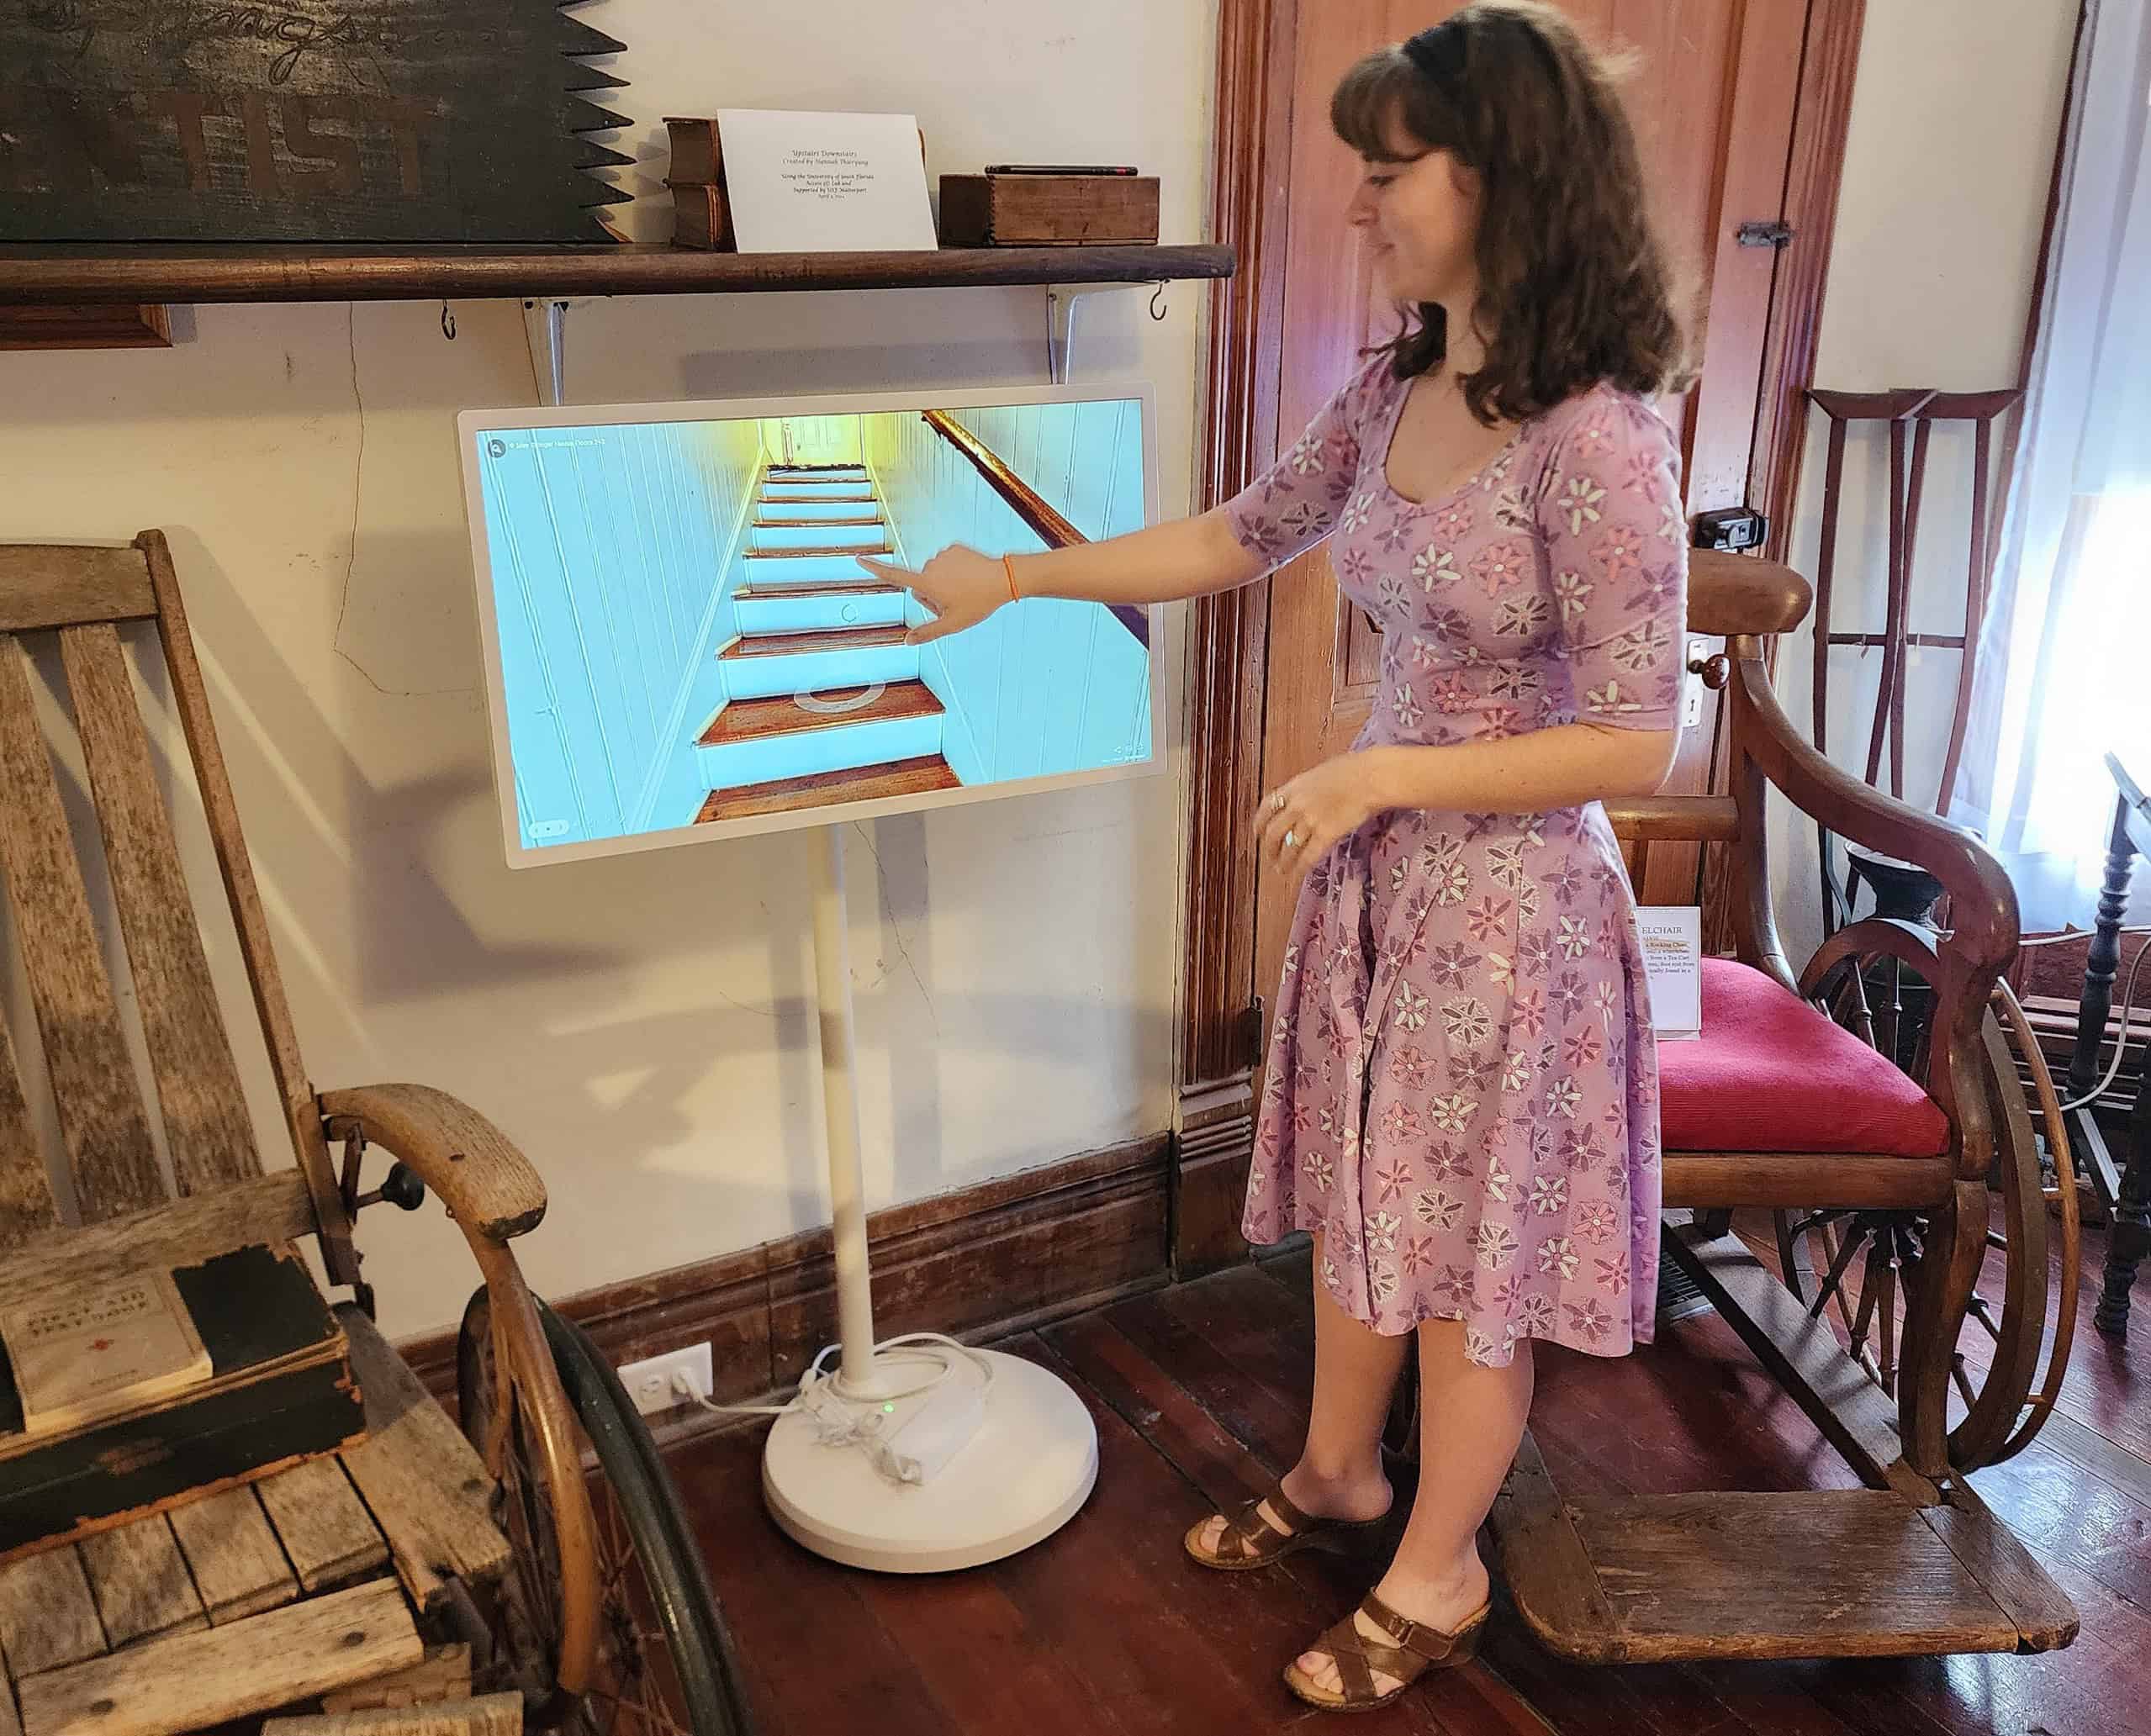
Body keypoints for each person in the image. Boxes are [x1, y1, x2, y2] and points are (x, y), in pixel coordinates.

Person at [860, 1, 1688, 1713]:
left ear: (1504, 177)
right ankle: (1336, 1475)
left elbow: (1633, 736)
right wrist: (1015, 581)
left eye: (1391, 174)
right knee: (1359, 1202)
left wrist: (1389, 764)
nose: (1360, 205)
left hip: (1515, 913)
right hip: (1388, 888)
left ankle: (1440, 1567)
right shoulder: (1395, 380)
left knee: (1465, 1256)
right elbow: (1248, 532)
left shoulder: (1597, 439)